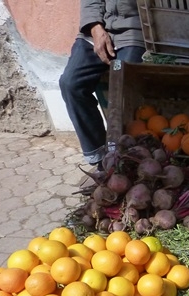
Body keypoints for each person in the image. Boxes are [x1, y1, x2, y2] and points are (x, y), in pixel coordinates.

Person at [59, 0, 146, 170]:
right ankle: (100, 158)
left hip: (135, 32)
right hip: (97, 31)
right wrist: (95, 28)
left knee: (124, 89)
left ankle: (129, 159)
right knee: (70, 84)